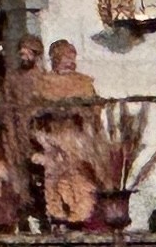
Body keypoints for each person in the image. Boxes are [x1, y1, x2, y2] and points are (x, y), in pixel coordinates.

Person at [24, 40, 109, 228]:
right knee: (55, 179)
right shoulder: (43, 83)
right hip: (52, 137)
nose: (69, 61)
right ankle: (58, 216)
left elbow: (95, 112)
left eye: (72, 57)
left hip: (78, 138)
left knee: (80, 179)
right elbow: (33, 113)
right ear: (55, 58)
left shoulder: (83, 82)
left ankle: (80, 217)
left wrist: (83, 111)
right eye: (64, 57)